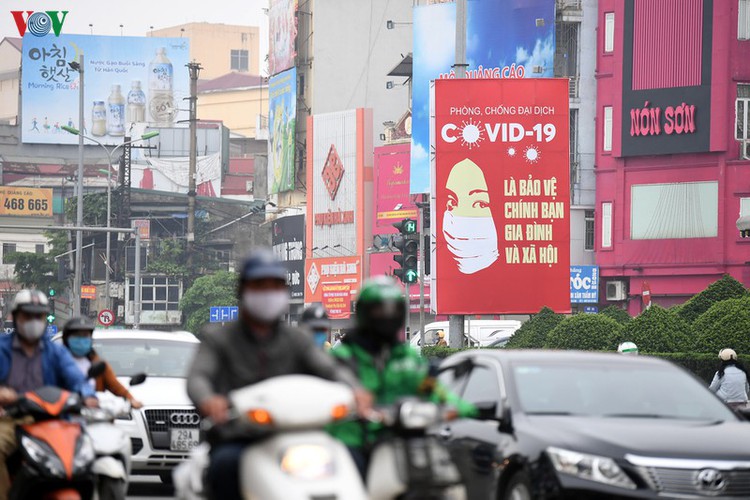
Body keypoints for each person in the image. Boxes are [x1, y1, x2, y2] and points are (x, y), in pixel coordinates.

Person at [186, 249, 370, 500]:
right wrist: (209, 400)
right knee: (225, 466)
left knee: (352, 459)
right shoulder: (218, 338)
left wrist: (355, 390)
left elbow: (331, 369)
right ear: (243, 291)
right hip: (240, 437)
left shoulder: (297, 339)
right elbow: (199, 377)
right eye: (259, 285)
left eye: (275, 286)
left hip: (299, 436)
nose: (267, 293)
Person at [328, 276, 476, 477]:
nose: (386, 316)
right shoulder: (343, 357)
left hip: (400, 439)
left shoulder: (407, 357)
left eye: (393, 310)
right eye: (378, 310)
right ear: (364, 313)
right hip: (355, 442)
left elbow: (430, 389)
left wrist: (468, 408)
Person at [0, 290, 98, 500]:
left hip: (54, 422)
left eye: (39, 316)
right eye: (28, 315)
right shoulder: (2, 348)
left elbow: (77, 380)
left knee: (90, 455)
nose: (34, 321)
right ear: (16, 317)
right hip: (11, 420)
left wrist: (88, 396)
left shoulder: (56, 352)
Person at [61, 317, 143, 409]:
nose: (81, 340)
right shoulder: (57, 361)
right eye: (77, 336)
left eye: (85, 335)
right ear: (67, 338)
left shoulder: (97, 363)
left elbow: (115, 386)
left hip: (92, 414)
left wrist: (130, 399)